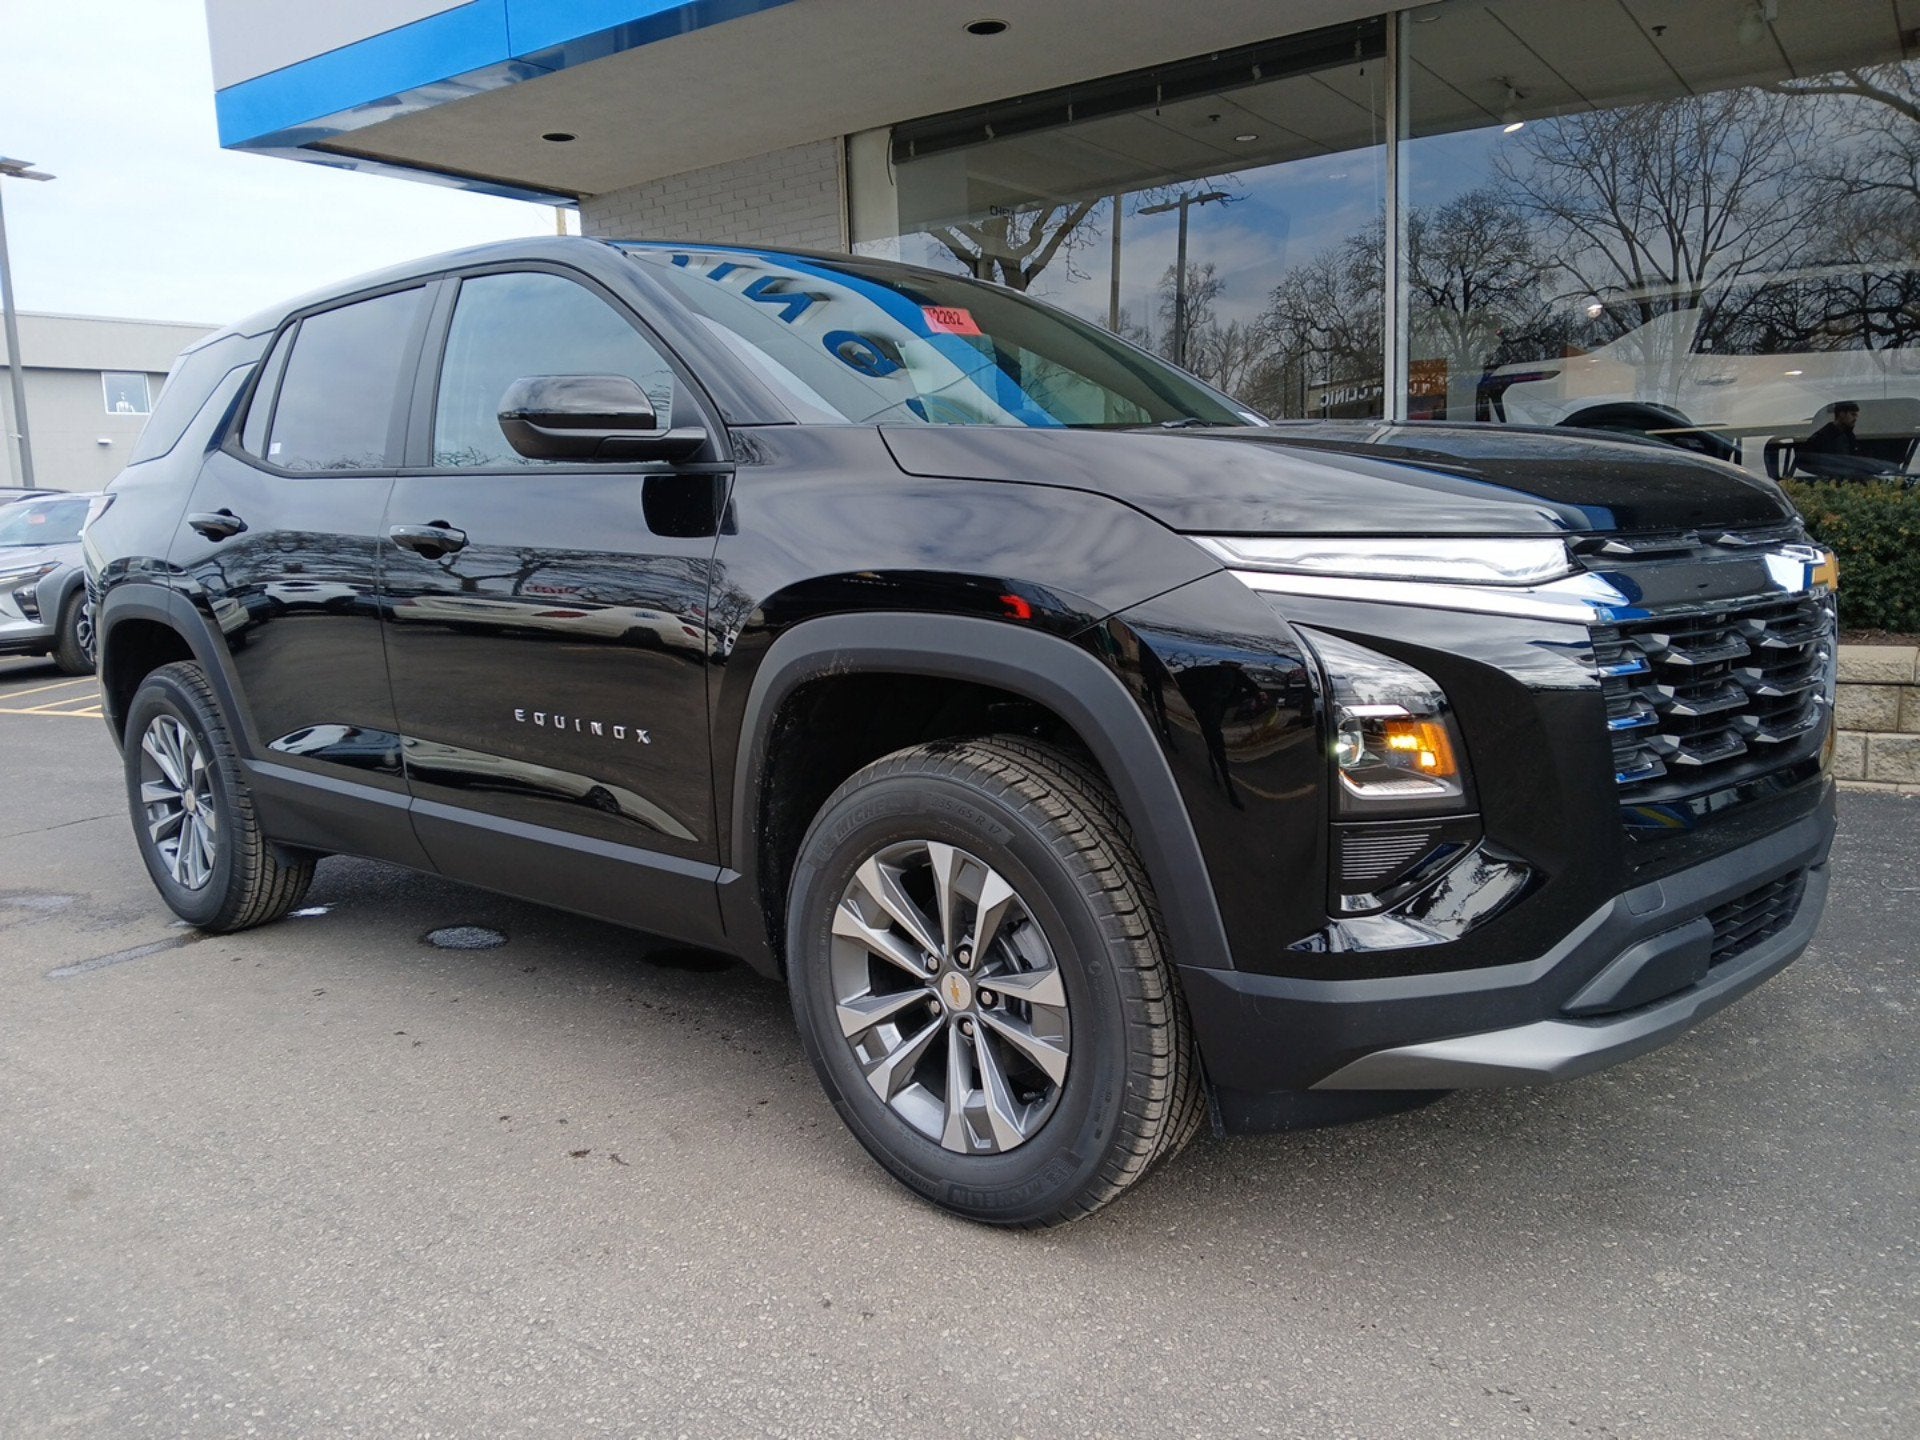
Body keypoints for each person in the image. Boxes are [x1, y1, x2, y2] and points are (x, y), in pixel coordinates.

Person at [1797, 401, 1901, 479]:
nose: (1855, 418)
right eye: (1852, 414)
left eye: (1856, 415)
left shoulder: (1848, 434)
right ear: (1841, 414)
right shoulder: (1823, 437)